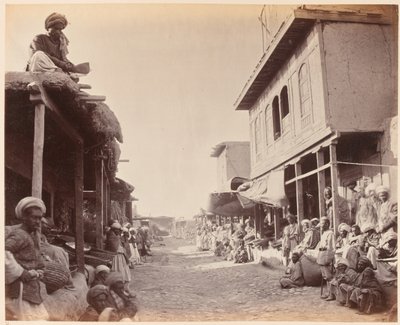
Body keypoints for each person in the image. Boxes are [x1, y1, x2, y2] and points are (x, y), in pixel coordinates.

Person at [5, 197, 49, 320]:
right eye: (34, 217)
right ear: (24, 217)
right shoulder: (19, 235)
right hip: (20, 290)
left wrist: (40, 269)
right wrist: (20, 272)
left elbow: (34, 257)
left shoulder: (32, 236)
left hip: (31, 289)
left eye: (40, 218)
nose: (38, 221)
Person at [316, 217, 336, 298]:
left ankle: (332, 294)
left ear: (327, 224)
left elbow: (332, 247)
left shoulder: (330, 233)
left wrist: (329, 258)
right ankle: (328, 292)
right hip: (322, 255)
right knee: (325, 276)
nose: (321, 225)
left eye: (322, 223)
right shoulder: (324, 233)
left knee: (329, 276)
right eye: (320, 223)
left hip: (327, 256)